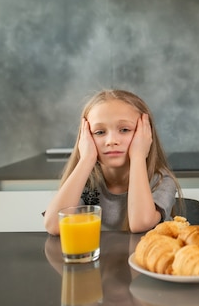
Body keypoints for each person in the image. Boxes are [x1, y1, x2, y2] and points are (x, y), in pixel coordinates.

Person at [44, 89, 182, 235]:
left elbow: (140, 224)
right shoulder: (87, 181)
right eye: (99, 132)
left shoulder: (161, 180)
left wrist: (138, 157)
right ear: (86, 138)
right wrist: (86, 160)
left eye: (124, 129)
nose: (111, 141)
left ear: (146, 134)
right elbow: (54, 225)